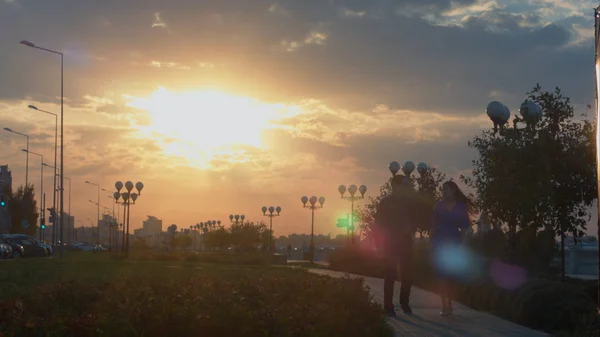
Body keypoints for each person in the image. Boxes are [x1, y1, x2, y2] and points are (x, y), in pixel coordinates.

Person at [430, 180, 477, 316]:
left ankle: (450, 302)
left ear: (453, 191)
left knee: (451, 276)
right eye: (443, 189)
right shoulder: (438, 206)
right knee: (442, 276)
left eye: (446, 189)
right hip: (440, 243)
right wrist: (431, 243)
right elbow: (433, 225)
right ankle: (445, 305)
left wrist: (466, 242)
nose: (444, 192)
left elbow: (465, 227)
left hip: (455, 243)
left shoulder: (461, 207)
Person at [373, 174, 417, 316]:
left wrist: (410, 228)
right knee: (390, 275)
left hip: (405, 242)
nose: (406, 187)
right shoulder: (385, 203)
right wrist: (378, 245)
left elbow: (414, 221)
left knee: (407, 274)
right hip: (390, 243)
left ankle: (404, 302)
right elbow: (378, 224)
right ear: (395, 186)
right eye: (404, 184)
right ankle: (388, 306)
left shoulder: (409, 203)